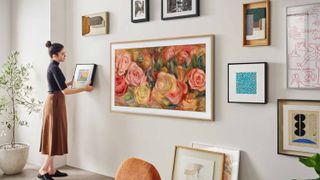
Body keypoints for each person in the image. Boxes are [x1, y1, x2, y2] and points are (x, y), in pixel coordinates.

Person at [38, 41, 94, 180]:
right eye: (62, 53)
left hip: (56, 101)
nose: (65, 55)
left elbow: (61, 85)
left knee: (55, 134)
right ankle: (43, 170)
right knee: (53, 134)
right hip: (54, 103)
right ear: (54, 55)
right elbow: (65, 91)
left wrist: (73, 82)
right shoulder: (54, 68)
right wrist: (84, 88)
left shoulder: (55, 67)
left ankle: (51, 169)